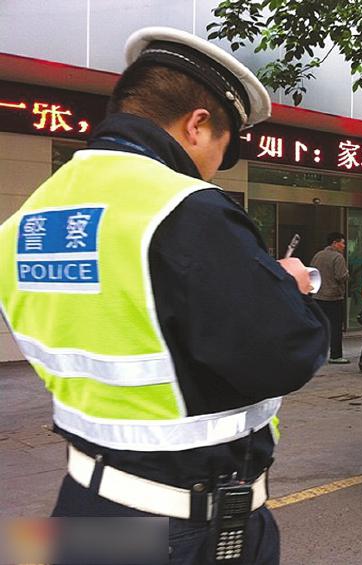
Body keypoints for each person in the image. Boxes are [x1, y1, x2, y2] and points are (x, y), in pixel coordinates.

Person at [0, 27, 329, 563]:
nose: (214, 167)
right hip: (183, 526)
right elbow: (286, 354)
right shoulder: (187, 209)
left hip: (81, 504)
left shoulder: (24, 221)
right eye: (223, 150)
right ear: (197, 125)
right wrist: (289, 288)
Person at [311, 232, 350, 363]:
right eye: (342, 243)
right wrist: (347, 274)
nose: (344, 246)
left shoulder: (317, 255)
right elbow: (341, 276)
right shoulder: (338, 257)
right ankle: (336, 355)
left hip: (317, 296)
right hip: (333, 297)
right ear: (334, 243)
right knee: (335, 327)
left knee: (319, 325)